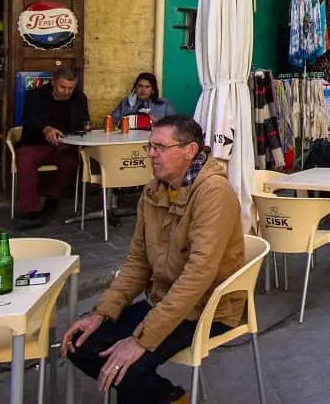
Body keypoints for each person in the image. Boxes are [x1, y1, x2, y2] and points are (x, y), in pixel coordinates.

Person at [61, 115, 245, 404]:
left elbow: (198, 276)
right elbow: (137, 262)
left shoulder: (214, 194)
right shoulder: (153, 191)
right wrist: (102, 312)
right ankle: (169, 397)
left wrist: (140, 339)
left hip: (208, 308)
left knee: (129, 367)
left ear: (190, 150)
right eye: (149, 146)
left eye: (159, 147)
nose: (150, 154)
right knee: (78, 342)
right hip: (163, 299)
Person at [15, 66, 89, 229]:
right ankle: (30, 211)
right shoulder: (36, 96)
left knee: (72, 162)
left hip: (64, 144)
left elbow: (84, 123)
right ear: (53, 83)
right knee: (25, 159)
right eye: (63, 87)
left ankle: (51, 198)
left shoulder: (79, 98)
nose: (67, 92)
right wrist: (46, 129)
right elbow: (30, 119)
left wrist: (70, 138)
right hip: (36, 142)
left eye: (71, 88)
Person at [110, 72, 176, 124]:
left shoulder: (164, 104)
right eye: (140, 86)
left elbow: (175, 125)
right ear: (135, 88)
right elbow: (110, 120)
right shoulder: (125, 103)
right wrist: (123, 121)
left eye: (147, 87)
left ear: (153, 90)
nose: (143, 90)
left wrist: (158, 122)